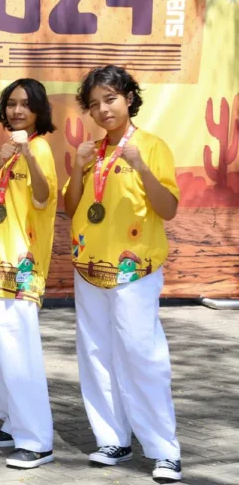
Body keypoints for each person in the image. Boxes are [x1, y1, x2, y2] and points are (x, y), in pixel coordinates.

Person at [63, 65, 182, 482]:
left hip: (136, 268)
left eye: (110, 99)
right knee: (96, 353)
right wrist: (76, 169)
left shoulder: (151, 146)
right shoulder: (90, 151)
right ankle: (112, 437)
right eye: (94, 105)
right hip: (89, 265)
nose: (103, 110)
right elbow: (71, 208)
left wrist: (141, 168)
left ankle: (164, 449)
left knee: (141, 354)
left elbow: (167, 209)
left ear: (129, 98)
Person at [0, 79, 58, 469]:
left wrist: (26, 154)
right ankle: (11, 422)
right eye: (11, 104)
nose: (17, 111)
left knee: (20, 353)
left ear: (39, 110)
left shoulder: (39, 148)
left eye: (26, 104)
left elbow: (43, 197)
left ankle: (37, 439)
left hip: (22, 269)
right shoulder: (6, 152)